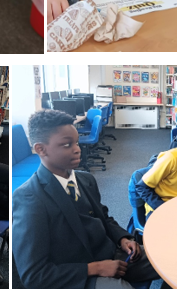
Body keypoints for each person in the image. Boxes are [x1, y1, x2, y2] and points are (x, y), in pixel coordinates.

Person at [13, 109, 159, 289]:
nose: (77, 149)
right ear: (40, 149)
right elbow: (34, 276)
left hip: (112, 253)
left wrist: (123, 238)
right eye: (67, 145)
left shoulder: (85, 179)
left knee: (171, 262)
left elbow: (104, 218)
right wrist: (94, 268)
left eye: (76, 142)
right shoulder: (29, 198)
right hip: (77, 273)